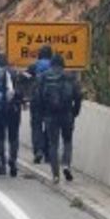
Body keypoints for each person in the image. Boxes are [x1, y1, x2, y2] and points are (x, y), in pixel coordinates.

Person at [34, 54, 83, 183]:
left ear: (51, 64)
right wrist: (75, 111)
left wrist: (41, 113)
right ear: (63, 64)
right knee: (67, 141)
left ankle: (55, 174)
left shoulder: (44, 77)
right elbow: (78, 96)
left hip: (50, 115)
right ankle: (66, 164)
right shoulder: (70, 77)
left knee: (53, 144)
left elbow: (38, 97)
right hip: (67, 113)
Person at [29, 44, 54, 162]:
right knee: (50, 126)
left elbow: (24, 79)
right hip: (51, 101)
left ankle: (38, 150)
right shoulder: (54, 67)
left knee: (36, 125)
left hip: (36, 100)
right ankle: (48, 153)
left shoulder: (34, 66)